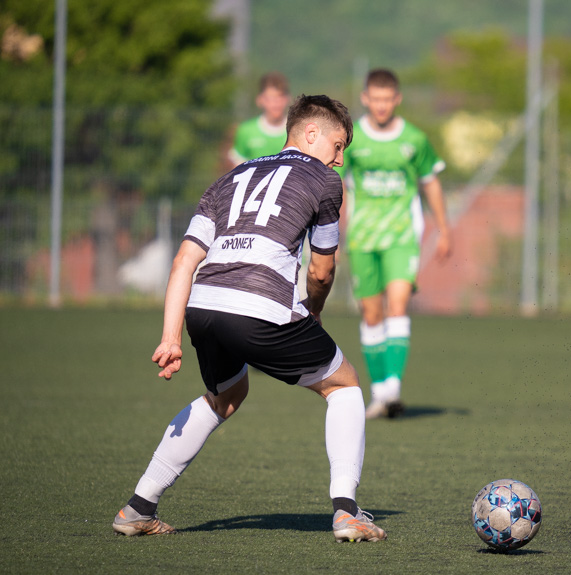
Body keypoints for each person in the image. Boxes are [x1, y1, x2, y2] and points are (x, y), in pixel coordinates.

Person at [112, 94, 387, 542]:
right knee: (345, 385)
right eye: (338, 145)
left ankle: (138, 507)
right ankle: (346, 511)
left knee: (226, 395)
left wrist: (171, 336)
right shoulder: (324, 181)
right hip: (260, 307)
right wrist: (313, 311)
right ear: (311, 134)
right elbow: (322, 268)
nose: (339, 159)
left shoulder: (230, 176)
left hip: (203, 307)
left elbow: (185, 259)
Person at [336, 68, 451, 420]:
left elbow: (430, 182)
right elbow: (336, 187)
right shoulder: (351, 139)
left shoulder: (414, 139)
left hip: (402, 236)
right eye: (376, 99)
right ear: (366, 98)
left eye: (388, 99)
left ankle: (393, 389)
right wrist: (331, 236)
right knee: (372, 314)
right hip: (363, 236)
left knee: (398, 304)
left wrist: (444, 229)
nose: (382, 105)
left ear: (396, 100)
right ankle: (380, 391)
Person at [227, 72, 292, 167]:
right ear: (260, 100)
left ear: (288, 99)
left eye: (280, 97)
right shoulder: (246, 130)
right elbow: (238, 169)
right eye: (271, 98)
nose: (276, 103)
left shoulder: (296, 130)